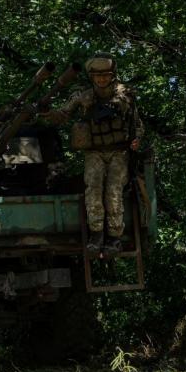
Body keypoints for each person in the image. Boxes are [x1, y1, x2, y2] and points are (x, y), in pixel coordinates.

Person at [41, 53, 142, 258]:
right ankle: (96, 235)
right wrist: (47, 114)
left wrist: (137, 139)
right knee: (93, 189)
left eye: (106, 75)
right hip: (94, 152)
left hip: (119, 151)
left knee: (113, 191)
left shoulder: (125, 96)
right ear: (92, 77)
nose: (102, 79)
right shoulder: (84, 96)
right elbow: (62, 115)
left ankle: (114, 238)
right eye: (98, 76)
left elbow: (138, 125)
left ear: (112, 75)